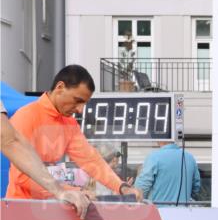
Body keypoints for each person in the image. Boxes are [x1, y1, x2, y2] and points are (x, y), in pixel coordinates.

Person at [6, 65, 142, 202]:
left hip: (52, 207)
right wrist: (73, 191)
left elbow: (91, 160)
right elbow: (22, 177)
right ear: (60, 87)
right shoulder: (26, 116)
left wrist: (121, 186)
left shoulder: (69, 123)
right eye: (77, 101)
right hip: (21, 206)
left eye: (84, 104)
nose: (80, 110)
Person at [1, 105, 90, 218]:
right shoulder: (27, 118)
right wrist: (63, 191)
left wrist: (63, 191)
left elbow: (11, 141)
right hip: (22, 209)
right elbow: (22, 175)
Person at [134, 140, 201, 204]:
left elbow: (140, 190)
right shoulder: (189, 158)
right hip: (183, 213)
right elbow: (196, 187)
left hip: (158, 213)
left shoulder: (154, 157)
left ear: (159, 139)